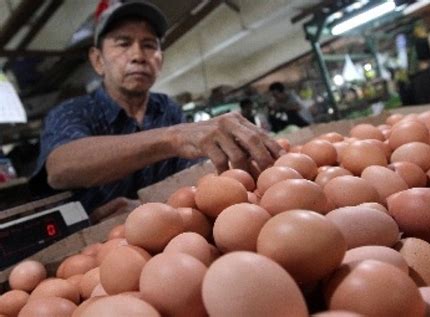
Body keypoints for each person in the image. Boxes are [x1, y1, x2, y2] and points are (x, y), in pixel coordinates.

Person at [31, 0, 282, 222]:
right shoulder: (73, 112)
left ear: (160, 59)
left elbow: (188, 174)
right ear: (98, 60)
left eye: (149, 45)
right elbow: (60, 168)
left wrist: (148, 210)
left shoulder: (167, 108)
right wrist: (174, 137)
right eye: (123, 43)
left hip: (168, 230)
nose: (138, 55)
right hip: (99, 243)